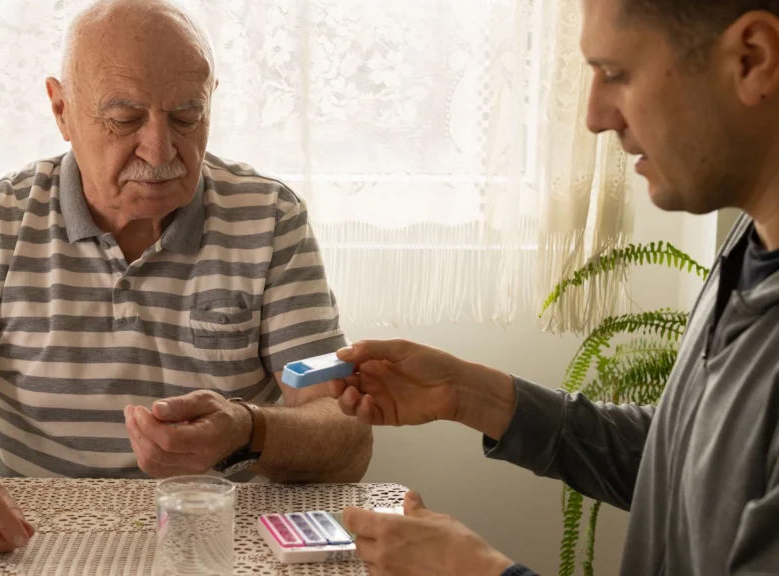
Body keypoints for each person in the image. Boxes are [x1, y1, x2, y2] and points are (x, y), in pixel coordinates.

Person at [0, 0, 371, 558]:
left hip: (214, 547)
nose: (161, 148)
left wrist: (246, 430)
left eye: (187, 116)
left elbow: (347, 436)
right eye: (124, 119)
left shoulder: (269, 218)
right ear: (61, 109)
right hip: (36, 548)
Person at [331, 0, 779, 574]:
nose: (593, 116)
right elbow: (691, 466)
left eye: (616, 74)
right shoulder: (753, 241)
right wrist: (471, 394)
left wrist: (478, 571)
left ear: (752, 58)